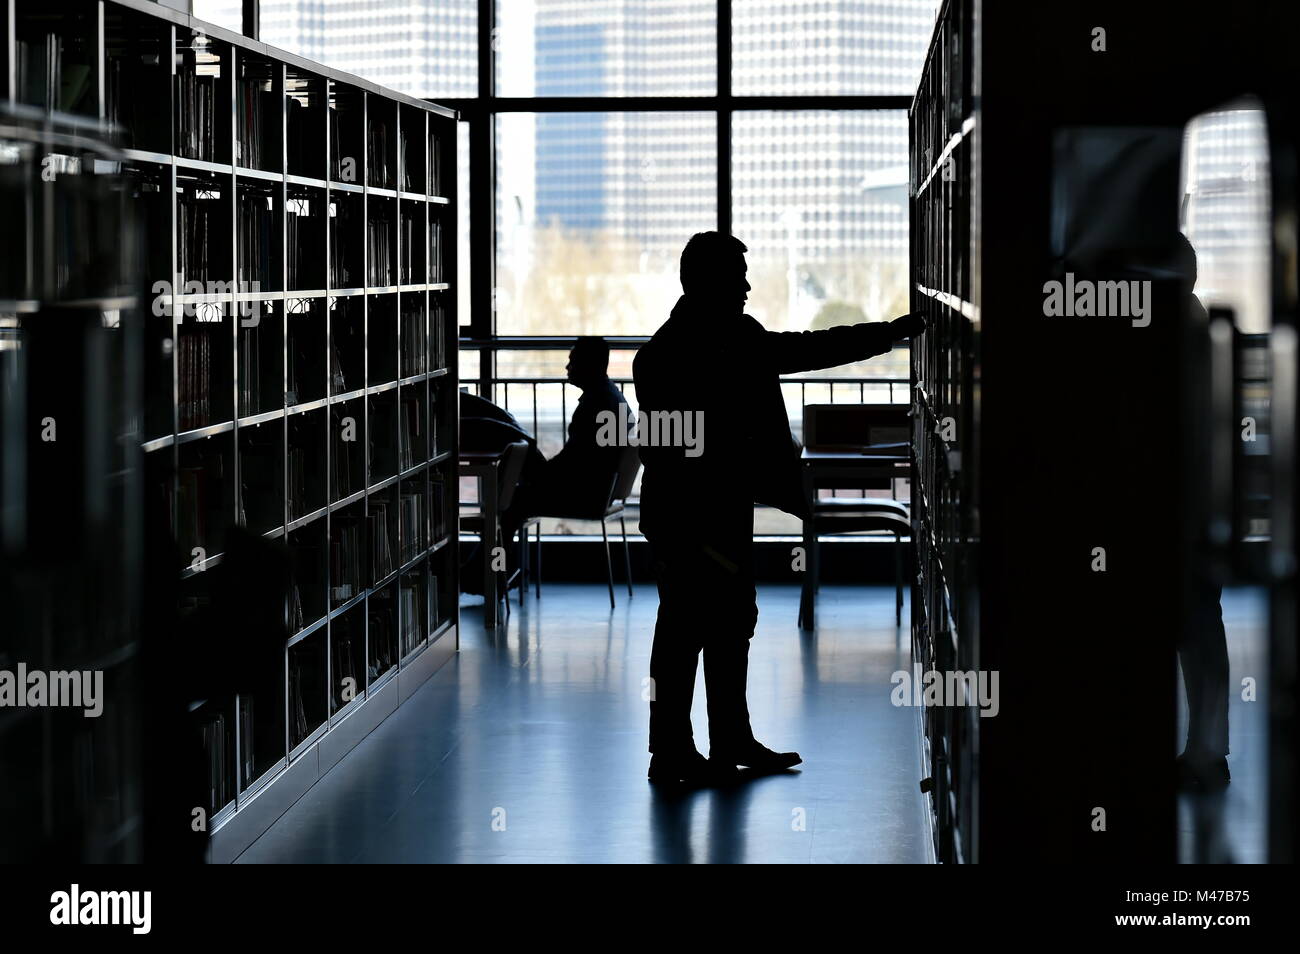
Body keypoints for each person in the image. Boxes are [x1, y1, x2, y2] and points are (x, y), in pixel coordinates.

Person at [633, 232, 925, 784]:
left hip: (716, 512)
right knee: (687, 631)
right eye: (736, 276)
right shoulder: (666, 357)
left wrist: (887, 335)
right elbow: (670, 451)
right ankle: (673, 750)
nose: (746, 286)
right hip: (691, 522)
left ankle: (725, 741)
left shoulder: (727, 339)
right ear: (706, 281)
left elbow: (811, 347)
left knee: (726, 624)